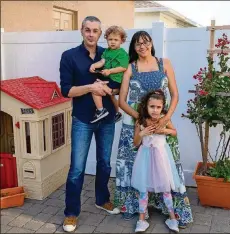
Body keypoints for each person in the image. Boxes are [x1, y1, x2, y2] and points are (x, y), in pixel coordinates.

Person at [114, 31, 193, 227]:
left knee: (166, 165)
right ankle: (134, 208)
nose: (142, 46)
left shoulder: (164, 63)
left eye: (145, 42)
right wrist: (141, 119)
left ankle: (170, 210)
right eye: (138, 44)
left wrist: (165, 119)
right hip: (135, 124)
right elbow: (122, 101)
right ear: (133, 47)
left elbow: (175, 95)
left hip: (161, 124)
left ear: (151, 43)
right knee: (133, 165)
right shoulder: (130, 68)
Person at [60, 16, 120, 233]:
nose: (91, 34)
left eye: (96, 31)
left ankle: (102, 200)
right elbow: (66, 90)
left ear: (100, 33)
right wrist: (90, 88)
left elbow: (117, 86)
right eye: (88, 30)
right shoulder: (69, 56)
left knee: (104, 163)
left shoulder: (110, 54)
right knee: (77, 169)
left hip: (107, 119)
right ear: (81, 31)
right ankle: (71, 214)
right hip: (83, 120)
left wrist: (106, 89)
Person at [132, 90, 182, 233]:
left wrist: (164, 130)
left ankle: (172, 218)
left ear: (162, 107)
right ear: (146, 106)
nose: (155, 110)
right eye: (152, 106)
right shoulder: (140, 121)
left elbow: (174, 132)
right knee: (143, 189)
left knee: (165, 188)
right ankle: (141, 220)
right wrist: (142, 133)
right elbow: (136, 143)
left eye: (158, 107)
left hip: (161, 157)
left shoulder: (164, 119)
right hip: (145, 158)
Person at [89, 25, 129, 123]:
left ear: (122, 41)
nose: (112, 42)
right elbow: (102, 62)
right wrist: (94, 65)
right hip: (110, 78)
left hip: (117, 80)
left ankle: (100, 110)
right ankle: (117, 113)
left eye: (116, 39)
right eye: (110, 39)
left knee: (95, 88)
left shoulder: (121, 53)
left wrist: (110, 71)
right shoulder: (107, 51)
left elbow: (123, 67)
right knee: (111, 96)